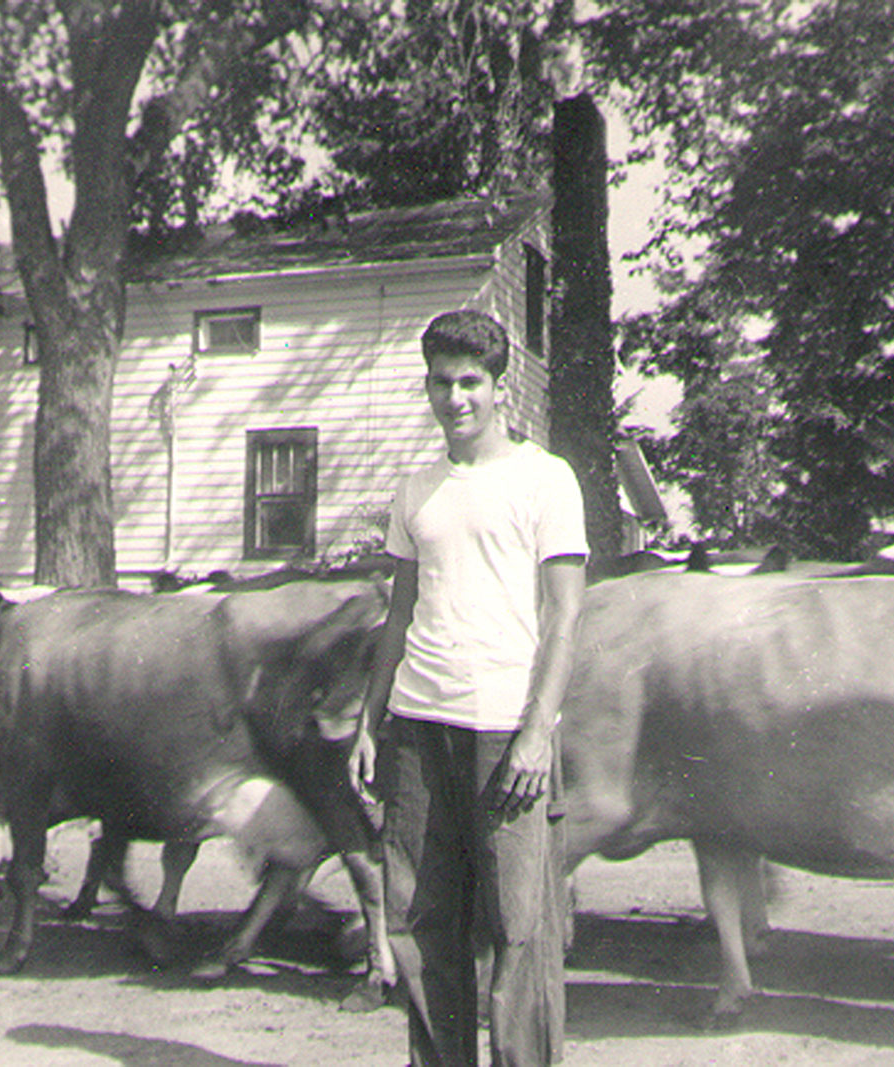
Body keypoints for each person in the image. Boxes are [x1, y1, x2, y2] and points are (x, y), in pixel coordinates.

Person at [348, 308, 587, 1066]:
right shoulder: (417, 490)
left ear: (499, 386)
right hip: (417, 731)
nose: (456, 398)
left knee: (520, 931)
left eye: (471, 382)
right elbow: (400, 615)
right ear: (427, 386)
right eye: (442, 382)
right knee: (420, 927)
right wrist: (368, 721)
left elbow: (566, 614)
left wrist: (539, 730)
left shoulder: (545, 479)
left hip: (504, 734)